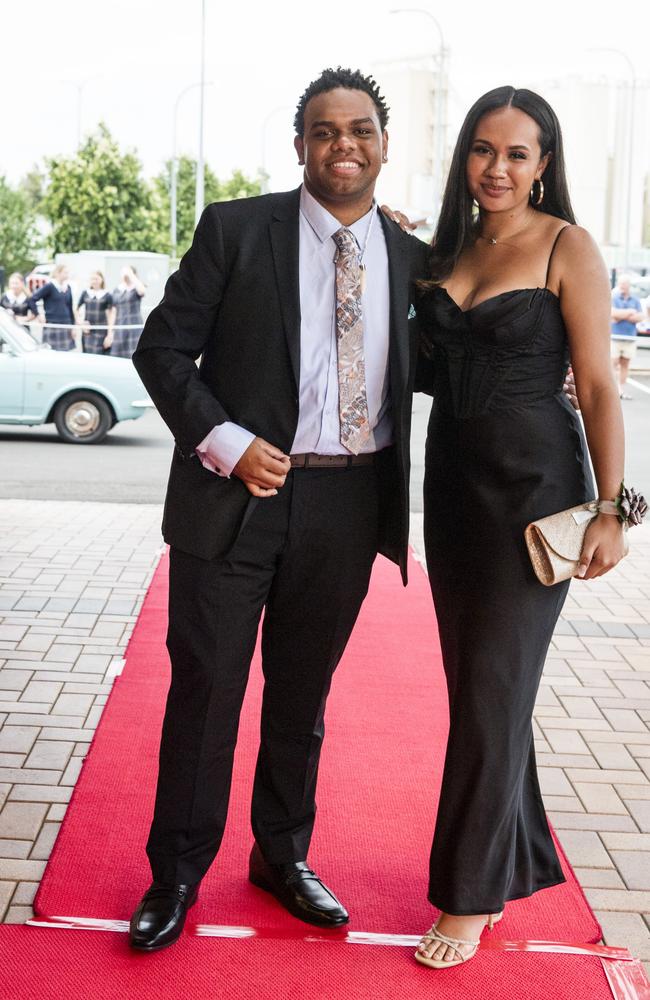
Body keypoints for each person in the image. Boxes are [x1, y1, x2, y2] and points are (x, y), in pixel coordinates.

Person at [129, 67, 428, 953]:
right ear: (300, 145)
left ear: (384, 143)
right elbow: (163, 349)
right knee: (207, 687)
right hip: (237, 499)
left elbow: (445, 367)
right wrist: (223, 439)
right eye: (326, 131)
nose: (345, 145)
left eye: (362, 130)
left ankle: (281, 856)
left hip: (349, 500)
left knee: (303, 695)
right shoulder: (233, 228)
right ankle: (176, 875)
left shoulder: (411, 258)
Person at [413, 86, 631, 971]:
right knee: (481, 690)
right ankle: (516, 855)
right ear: (464, 156)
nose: (497, 169)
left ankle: (468, 897)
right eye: (482, 150)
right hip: (452, 496)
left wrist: (616, 510)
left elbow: (602, 384)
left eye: (517, 153)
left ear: (545, 163)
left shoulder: (567, 246)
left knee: (492, 694)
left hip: (536, 497)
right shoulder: (444, 251)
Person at [27, 264, 76, 350]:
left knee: (66, 355)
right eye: (65, 272)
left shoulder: (68, 287)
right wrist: (38, 315)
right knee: (51, 354)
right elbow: (32, 300)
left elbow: (70, 308)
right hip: (52, 324)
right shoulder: (49, 286)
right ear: (58, 273)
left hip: (66, 325)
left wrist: (73, 327)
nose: (67, 275)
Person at [610, 274, 643, 399]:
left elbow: (640, 317)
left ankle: (621, 388)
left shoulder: (635, 300)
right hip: (615, 336)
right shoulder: (614, 298)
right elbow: (613, 315)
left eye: (624, 284)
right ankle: (614, 389)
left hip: (630, 337)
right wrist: (630, 312)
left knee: (625, 364)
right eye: (620, 284)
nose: (622, 286)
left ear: (629, 285)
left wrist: (621, 315)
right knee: (613, 362)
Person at [107, 265, 145, 358]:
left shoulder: (136, 288)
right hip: (120, 327)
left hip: (134, 328)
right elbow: (113, 311)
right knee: (117, 356)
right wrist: (110, 332)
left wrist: (131, 275)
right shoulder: (117, 290)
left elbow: (142, 291)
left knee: (134, 355)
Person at [77, 271, 113, 354]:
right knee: (87, 357)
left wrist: (109, 335)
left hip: (102, 331)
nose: (94, 281)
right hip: (87, 331)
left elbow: (111, 315)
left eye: (96, 278)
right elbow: (76, 309)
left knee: (101, 357)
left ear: (102, 280)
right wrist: (81, 323)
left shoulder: (107, 295)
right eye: (92, 279)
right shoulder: (85, 293)